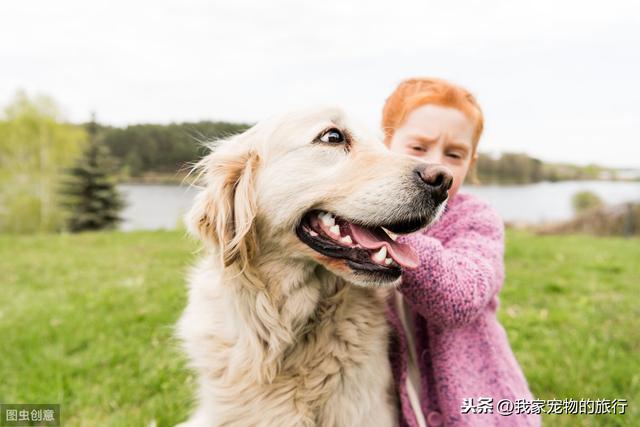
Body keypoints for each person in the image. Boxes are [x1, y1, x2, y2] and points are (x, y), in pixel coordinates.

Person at [382, 78, 540, 426]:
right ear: (384, 144)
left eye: (454, 154)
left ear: (471, 162)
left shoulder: (476, 219)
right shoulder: (360, 221)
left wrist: (392, 236)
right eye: (418, 148)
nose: (437, 165)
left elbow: (459, 299)